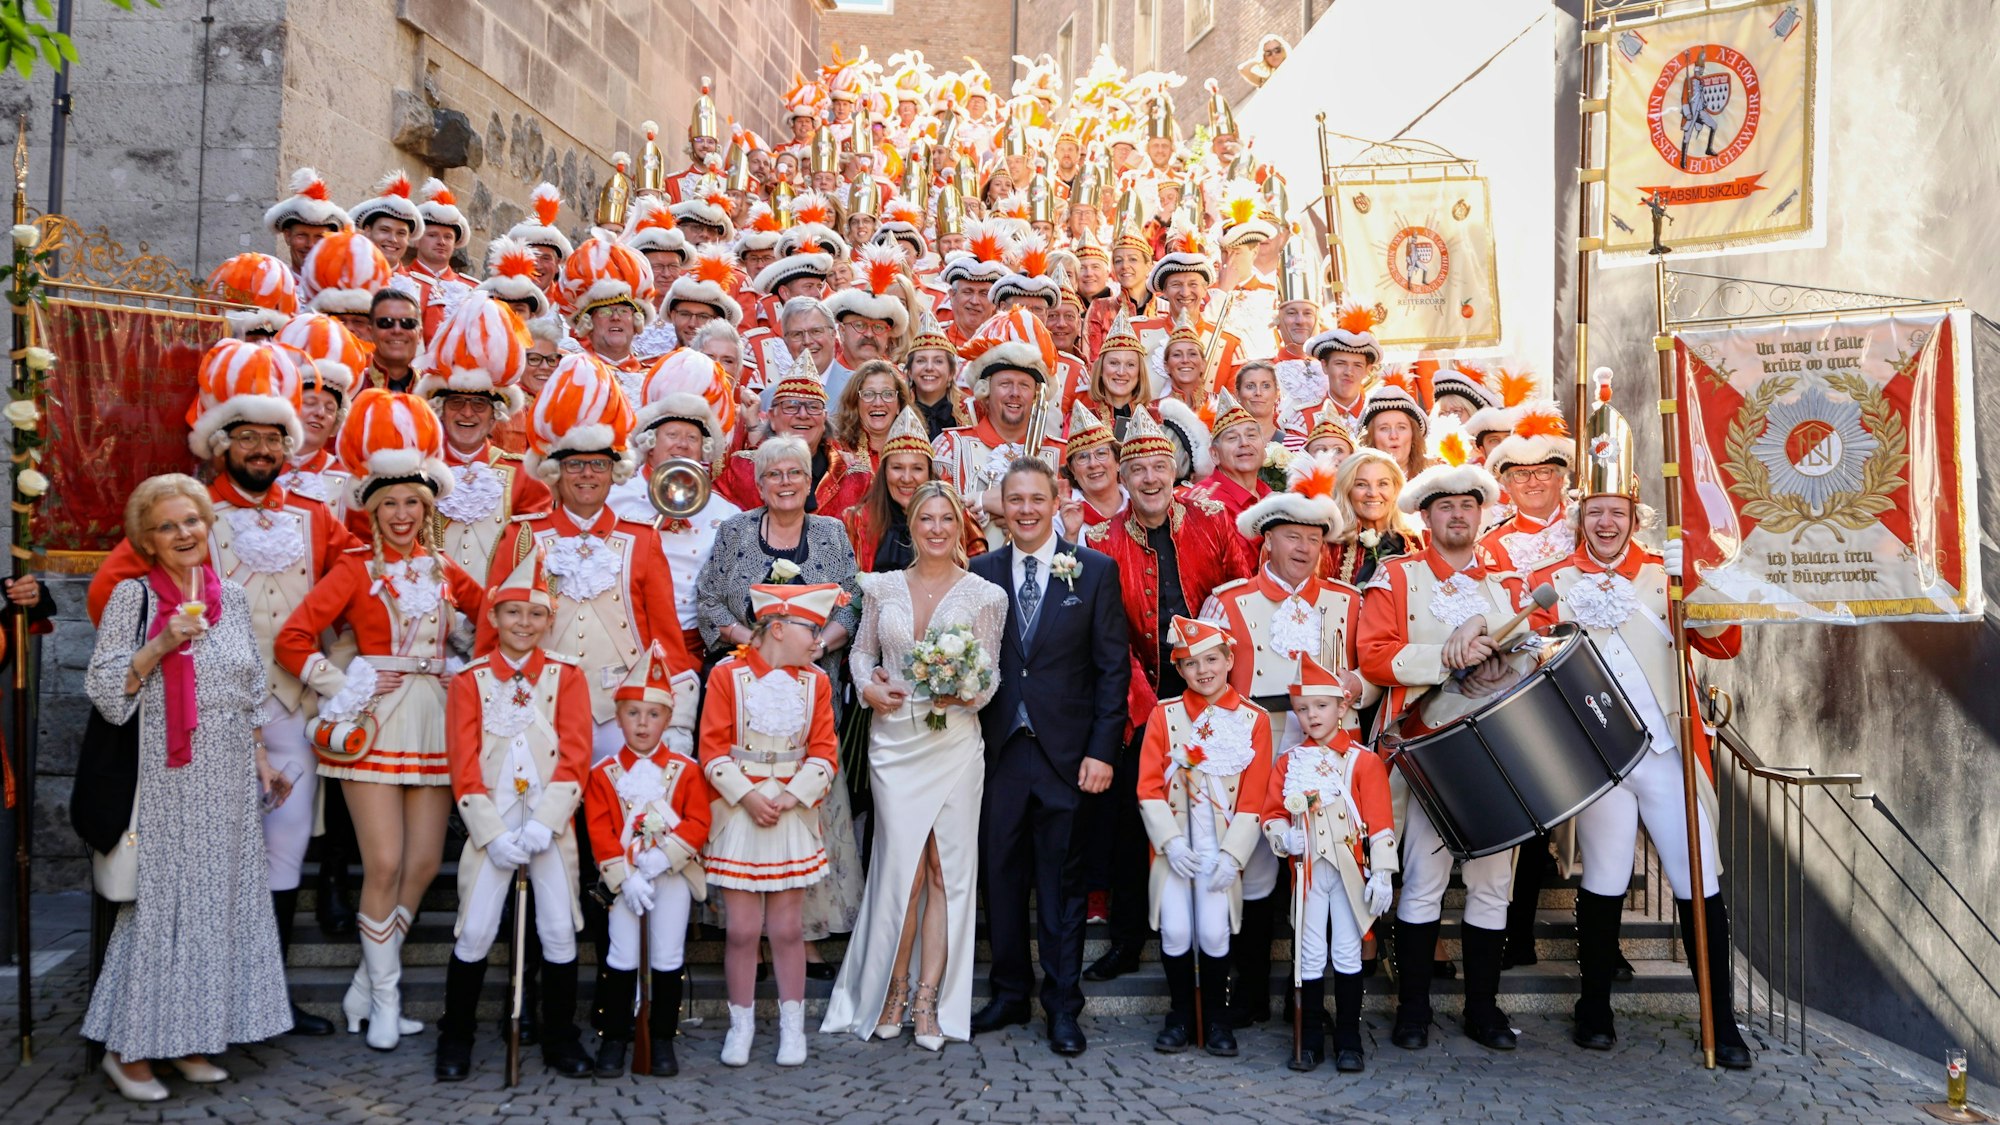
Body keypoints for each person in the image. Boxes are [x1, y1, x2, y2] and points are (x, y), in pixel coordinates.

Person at [1525, 376, 1752, 1067]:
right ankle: (1594, 1007)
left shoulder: (1664, 571)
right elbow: (1525, 651)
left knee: (1698, 879)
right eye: (1594, 510)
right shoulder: (1552, 580)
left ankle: (1723, 1018)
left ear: (1633, 513)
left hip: (1668, 752)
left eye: (1615, 510)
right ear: (1579, 515)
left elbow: (1725, 643)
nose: (1605, 522)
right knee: (1603, 879)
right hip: (1599, 758)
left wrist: (1702, 586)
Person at [275, 389, 487, 1052]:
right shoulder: (354, 569)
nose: (401, 514)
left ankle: (367, 988)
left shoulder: (449, 569)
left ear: (428, 512)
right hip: (371, 718)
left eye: (413, 504)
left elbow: (497, 622)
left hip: (435, 718)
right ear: (372, 510)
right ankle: (388, 1002)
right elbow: (293, 637)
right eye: (390, 503)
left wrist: (466, 658)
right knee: (385, 860)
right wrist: (348, 680)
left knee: (423, 862)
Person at [84, 475, 295, 1101]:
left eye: (193, 522)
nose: (184, 534)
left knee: (218, 904)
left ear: (209, 527)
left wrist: (262, 759)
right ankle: (127, 1050)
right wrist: (161, 644)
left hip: (227, 775)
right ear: (147, 541)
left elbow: (247, 685)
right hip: (166, 777)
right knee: (164, 909)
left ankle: (189, 1038)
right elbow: (103, 688)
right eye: (168, 526)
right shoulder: (135, 599)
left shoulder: (228, 594)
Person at [824, 482, 1006, 1050]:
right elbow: (860, 652)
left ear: (959, 527)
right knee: (901, 869)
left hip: (953, 740)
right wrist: (868, 684)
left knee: (943, 870)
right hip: (896, 740)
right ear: (912, 524)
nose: (935, 528)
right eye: (924, 519)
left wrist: (969, 693)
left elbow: (992, 672)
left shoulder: (985, 596)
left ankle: (930, 1000)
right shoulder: (880, 588)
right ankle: (890, 991)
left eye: (945, 519)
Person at [1355, 450, 1523, 1052]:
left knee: (1491, 885)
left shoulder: (1507, 583)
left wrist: (1492, 641)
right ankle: (1414, 1009)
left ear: (1481, 515)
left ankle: (1484, 1008)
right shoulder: (1397, 575)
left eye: (1467, 505)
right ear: (1426, 518)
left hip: (1499, 753)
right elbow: (1373, 655)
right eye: (1444, 506)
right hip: (1428, 749)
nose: (1457, 515)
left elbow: (1530, 649)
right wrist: (1444, 657)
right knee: (1425, 880)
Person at [1203, 449, 1373, 1026]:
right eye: (1291, 536)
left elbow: (1372, 678)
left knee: (1321, 866)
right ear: (1266, 542)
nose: (1304, 548)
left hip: (1326, 751)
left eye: (1314, 539)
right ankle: (1248, 993)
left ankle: (1312, 1001)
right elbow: (1207, 683)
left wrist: (1356, 685)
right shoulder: (1228, 602)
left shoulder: (1349, 603)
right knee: (1253, 869)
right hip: (1254, 748)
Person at [968, 458, 1131, 1057]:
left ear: (1056, 500)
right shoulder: (980, 573)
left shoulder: (1093, 571)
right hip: (999, 754)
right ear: (1002, 506)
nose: (1027, 510)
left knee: (1062, 885)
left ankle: (1063, 1005)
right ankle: (1009, 991)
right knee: (1002, 878)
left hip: (1068, 756)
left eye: (1038, 499)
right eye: (1016, 500)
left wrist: (1101, 750)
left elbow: (1113, 670)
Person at [695, 435, 866, 970]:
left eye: (795, 472)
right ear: (759, 482)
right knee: (754, 807)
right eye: (774, 474)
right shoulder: (734, 531)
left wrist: (820, 644)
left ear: (809, 480)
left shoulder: (831, 532)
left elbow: (854, 600)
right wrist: (757, 648)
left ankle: (804, 932)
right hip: (745, 695)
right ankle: (753, 932)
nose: (786, 482)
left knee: (807, 808)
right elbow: (708, 600)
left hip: (813, 691)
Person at [434, 546, 595, 1080]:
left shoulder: (568, 677)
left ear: (549, 620)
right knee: (475, 929)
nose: (523, 623)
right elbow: (463, 763)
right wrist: (492, 833)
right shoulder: (470, 680)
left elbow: (574, 758)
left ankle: (560, 1037)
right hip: (493, 827)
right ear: (494, 617)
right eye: (511, 612)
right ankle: (454, 1036)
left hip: (549, 826)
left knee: (557, 929)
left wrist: (546, 825)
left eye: (534, 614)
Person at [492, 351, 694, 762]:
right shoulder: (522, 536)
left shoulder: (642, 541)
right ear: (555, 472)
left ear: (614, 471)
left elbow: (666, 638)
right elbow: (491, 629)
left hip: (623, 712)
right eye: (576, 465)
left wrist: (674, 722)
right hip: (536, 705)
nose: (587, 475)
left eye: (598, 465)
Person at [700, 583, 847, 1068]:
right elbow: (712, 748)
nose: (817, 641)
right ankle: (740, 1027)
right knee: (742, 930)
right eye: (812, 631)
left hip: (791, 813)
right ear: (778, 628)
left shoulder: (816, 683)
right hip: (740, 813)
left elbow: (825, 751)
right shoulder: (727, 677)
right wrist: (746, 794)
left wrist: (791, 795)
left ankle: (792, 1028)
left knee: (786, 930)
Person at [1135, 615, 1272, 1056]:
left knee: (1214, 934)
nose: (1203, 670)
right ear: (1179, 669)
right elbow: (1147, 786)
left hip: (1221, 845)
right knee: (1175, 931)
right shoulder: (1164, 714)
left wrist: (1233, 857)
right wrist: (1169, 843)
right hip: (1175, 843)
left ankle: (1216, 1019)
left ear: (1230, 659)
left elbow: (1254, 797)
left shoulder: (1255, 719)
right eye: (1190, 663)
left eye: (1211, 659)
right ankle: (1179, 1016)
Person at [1261, 653, 1395, 1072]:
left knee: (1347, 954)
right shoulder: (1288, 762)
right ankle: (1312, 1039)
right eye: (1302, 708)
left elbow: (1381, 824)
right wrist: (1284, 837)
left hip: (1350, 871)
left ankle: (1350, 1040)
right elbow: (1271, 815)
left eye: (1320, 706)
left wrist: (1385, 874)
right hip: (1308, 872)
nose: (1311, 715)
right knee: (1309, 954)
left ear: (1343, 707)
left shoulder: (1363, 761)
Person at [583, 644, 709, 1078]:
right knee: (620, 955)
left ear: (667, 719)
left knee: (668, 955)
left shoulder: (685, 770)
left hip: (671, 878)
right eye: (633, 713)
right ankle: (615, 1038)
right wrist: (624, 877)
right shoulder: (603, 775)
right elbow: (599, 831)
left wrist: (664, 859)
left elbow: (698, 821)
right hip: (625, 884)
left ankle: (661, 1039)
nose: (642, 723)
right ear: (618, 718)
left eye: (652, 714)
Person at [607, 348, 744, 658]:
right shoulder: (614, 496)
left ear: (704, 449)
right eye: (672, 434)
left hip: (696, 649)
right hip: (626, 641)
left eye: (692, 437)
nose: (682, 444)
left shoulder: (727, 514)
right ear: (650, 444)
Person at [419, 292, 552, 584]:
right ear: (440, 410)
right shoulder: (417, 472)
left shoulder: (523, 476)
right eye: (457, 403)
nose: (467, 413)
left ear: (496, 416)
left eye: (479, 405)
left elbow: (532, 561)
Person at [932, 307, 1067, 548]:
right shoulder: (950, 447)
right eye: (1005, 384)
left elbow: (1073, 524)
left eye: (1024, 385)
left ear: (1037, 395)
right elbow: (928, 518)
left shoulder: (1062, 454)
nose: (1015, 393)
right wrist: (982, 503)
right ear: (985, 391)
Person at [717, 357, 873, 517]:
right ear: (771, 417)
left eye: (813, 407)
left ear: (824, 418)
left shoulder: (856, 479)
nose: (803, 414)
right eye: (791, 406)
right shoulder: (742, 470)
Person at [842, 406, 961, 572]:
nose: (906, 478)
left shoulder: (957, 517)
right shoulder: (857, 521)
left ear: (929, 473)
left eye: (917, 468)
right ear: (884, 472)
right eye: (897, 467)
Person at [1480, 399, 1576, 573]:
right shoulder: (1490, 547)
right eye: (1521, 474)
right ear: (1507, 485)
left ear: (1560, 479)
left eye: (1543, 471)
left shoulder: (1589, 530)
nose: (1533, 482)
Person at [1323, 449, 1424, 588]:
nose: (1373, 493)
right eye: (1361, 484)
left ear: (1396, 489)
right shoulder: (1330, 547)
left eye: (1382, 484)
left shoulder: (1419, 540)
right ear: (1347, 490)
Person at [1299, 306, 1382, 439]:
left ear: (1368, 370)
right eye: (1340, 363)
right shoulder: (1304, 419)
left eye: (1357, 365)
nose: (1349, 372)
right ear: (1324, 366)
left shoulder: (1380, 417)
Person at [1056, 403, 1124, 540]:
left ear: (1117, 462)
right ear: (1072, 470)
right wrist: (1071, 535)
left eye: (1101, 453)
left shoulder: (1139, 503)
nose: (1093, 464)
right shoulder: (1059, 519)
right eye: (1082, 457)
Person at [265, 167, 349, 276]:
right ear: (287, 236)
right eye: (302, 235)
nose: (310, 244)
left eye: (319, 237)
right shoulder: (272, 285)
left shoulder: (344, 289)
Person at [832, 358, 914, 467]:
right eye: (868, 394)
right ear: (855, 403)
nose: (878, 403)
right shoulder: (837, 451)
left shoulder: (916, 451)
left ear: (899, 405)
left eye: (887, 394)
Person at [905, 309, 972, 437]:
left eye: (938, 361)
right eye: (921, 360)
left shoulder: (971, 413)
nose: (929, 367)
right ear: (909, 372)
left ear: (951, 373)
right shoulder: (897, 411)